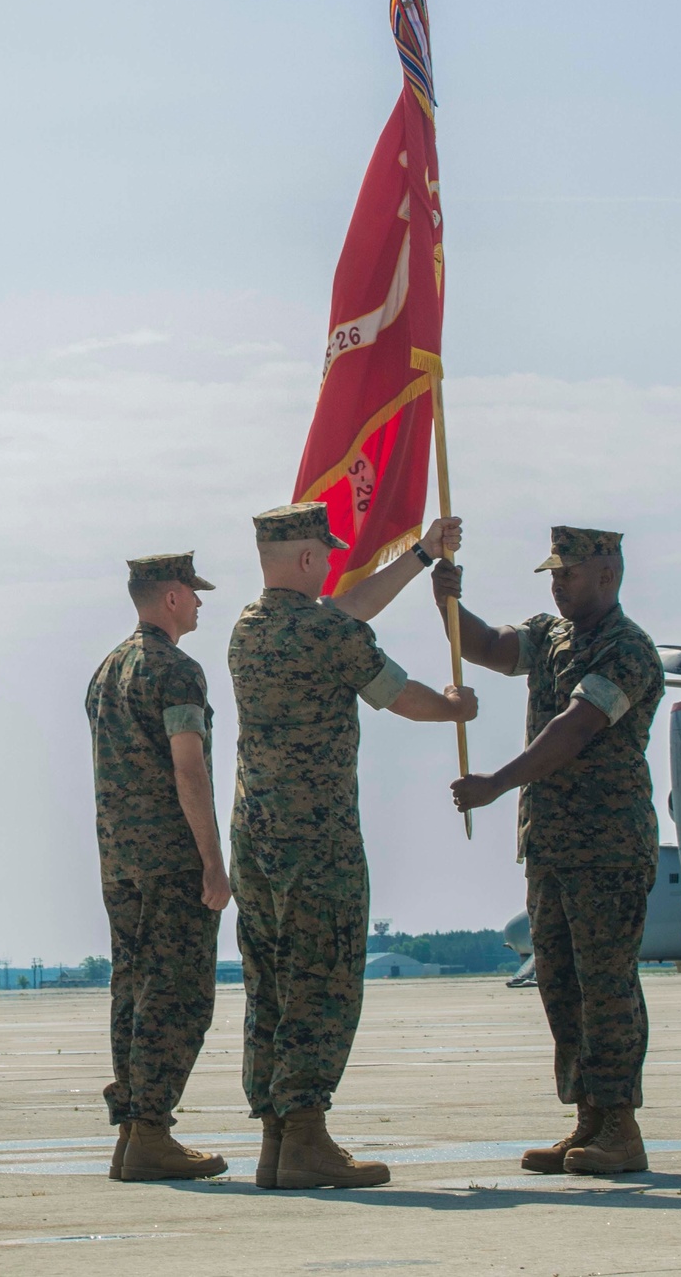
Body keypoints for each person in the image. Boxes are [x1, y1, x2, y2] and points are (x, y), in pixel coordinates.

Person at [229, 504, 478, 1191]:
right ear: (308, 559)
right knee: (323, 976)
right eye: (327, 552)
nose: (335, 561)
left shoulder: (249, 628)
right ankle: (307, 1136)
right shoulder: (324, 633)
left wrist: (424, 554)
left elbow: (345, 612)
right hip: (318, 836)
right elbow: (401, 696)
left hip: (256, 835)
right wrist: (456, 707)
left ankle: (279, 1139)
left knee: (272, 982)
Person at [434, 526, 663, 1175]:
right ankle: (587, 1119)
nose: (557, 585)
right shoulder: (552, 635)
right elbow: (486, 647)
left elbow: (577, 727)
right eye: (553, 576)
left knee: (605, 987)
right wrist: (448, 604)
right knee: (560, 987)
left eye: (568, 574)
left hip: (608, 846)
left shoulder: (628, 649)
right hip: (552, 845)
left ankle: (620, 1126)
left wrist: (496, 783)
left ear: (607, 576)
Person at [86, 552, 230, 1183]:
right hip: (172, 858)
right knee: (178, 994)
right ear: (170, 596)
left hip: (120, 859)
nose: (200, 603)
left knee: (133, 991)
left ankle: (133, 1132)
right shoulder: (175, 670)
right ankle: (150, 1131)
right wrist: (213, 863)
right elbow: (188, 767)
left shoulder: (106, 670)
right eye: (193, 594)